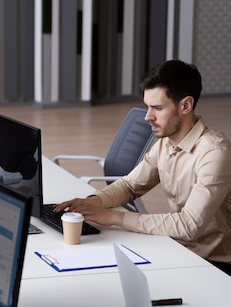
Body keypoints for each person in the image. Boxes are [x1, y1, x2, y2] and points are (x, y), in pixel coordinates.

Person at [55, 60, 231, 272]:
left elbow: (188, 225)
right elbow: (130, 186)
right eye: (147, 107)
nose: (148, 116)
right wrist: (93, 202)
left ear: (185, 105)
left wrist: (114, 217)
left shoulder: (214, 153)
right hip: (177, 248)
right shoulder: (166, 142)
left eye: (157, 108)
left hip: (216, 264)